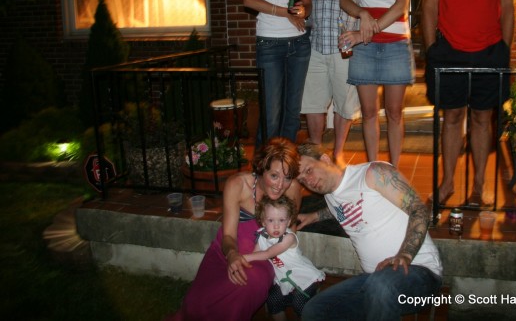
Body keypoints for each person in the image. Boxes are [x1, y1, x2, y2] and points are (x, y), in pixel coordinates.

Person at [422, 0, 515, 208]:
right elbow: (429, 6)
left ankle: (480, 186)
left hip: (490, 50)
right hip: (449, 50)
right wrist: (432, 49)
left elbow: (508, 7)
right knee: (451, 117)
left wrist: (504, 49)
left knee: (481, 118)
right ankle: (447, 184)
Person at [295, 142, 442, 320]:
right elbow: (343, 207)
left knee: (381, 285)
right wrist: (314, 216)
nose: (308, 182)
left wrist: (405, 254)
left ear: (325, 159)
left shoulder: (373, 173)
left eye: (309, 171)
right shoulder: (331, 198)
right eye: (302, 180)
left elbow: (419, 209)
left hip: (418, 272)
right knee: (314, 310)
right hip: (373, 281)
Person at [170, 137, 302, 321]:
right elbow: (228, 235)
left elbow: (291, 234)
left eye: (287, 177)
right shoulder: (238, 185)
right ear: (262, 168)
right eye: (274, 175)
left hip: (265, 256)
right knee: (195, 306)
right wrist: (232, 255)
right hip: (226, 251)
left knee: (242, 291)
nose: (280, 185)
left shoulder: (293, 189)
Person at [338, 0, 415, 166]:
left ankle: (393, 170)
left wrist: (364, 32)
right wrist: (362, 13)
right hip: (367, 50)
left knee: (394, 113)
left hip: (394, 47)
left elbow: (400, 6)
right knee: (369, 114)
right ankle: (374, 169)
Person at [243, 0, 311, 145]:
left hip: (299, 44)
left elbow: (308, 3)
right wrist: (286, 13)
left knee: (292, 113)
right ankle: (264, 169)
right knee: (271, 114)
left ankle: (286, 166)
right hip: (270, 44)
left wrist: (303, 10)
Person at [301, 0, 362, 165]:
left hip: (344, 44)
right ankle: (316, 148)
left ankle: (337, 152)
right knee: (313, 102)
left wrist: (360, 31)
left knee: (344, 103)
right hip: (315, 43)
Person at [244, 195, 325, 320]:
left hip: (304, 277)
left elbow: (268, 253)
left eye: (281, 220)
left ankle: (314, 297)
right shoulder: (262, 236)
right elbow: (255, 255)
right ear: (263, 221)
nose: (276, 226)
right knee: (272, 301)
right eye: (271, 220)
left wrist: (242, 258)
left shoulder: (289, 237)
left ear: (288, 221)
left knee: (300, 304)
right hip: (284, 279)